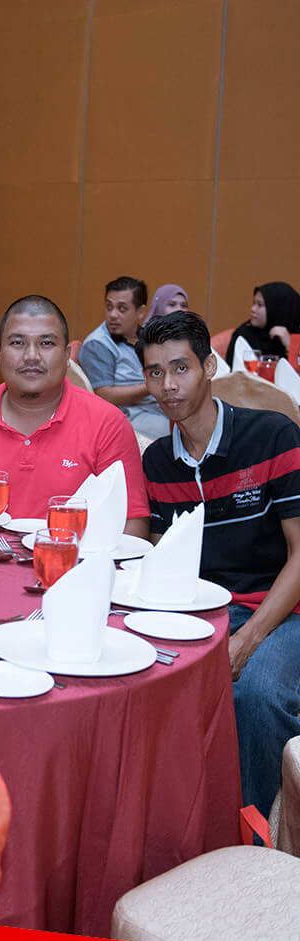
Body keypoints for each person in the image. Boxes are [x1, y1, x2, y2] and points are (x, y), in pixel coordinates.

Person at [138, 310, 300, 818]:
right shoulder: (157, 462)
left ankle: (257, 833)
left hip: (282, 610)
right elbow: (163, 559)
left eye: (181, 368)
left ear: (209, 366)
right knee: (138, 682)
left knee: (256, 693)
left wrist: (248, 640)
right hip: (204, 611)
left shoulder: (272, 436)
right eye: (155, 372)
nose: (168, 385)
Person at [0, 295, 150, 534]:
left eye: (46, 343)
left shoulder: (108, 424)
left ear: (67, 356)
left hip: (72, 557)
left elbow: (132, 524)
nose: (31, 356)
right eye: (17, 343)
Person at [78, 276, 170, 439]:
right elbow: (104, 395)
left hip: (157, 406)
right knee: (170, 431)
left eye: (122, 309)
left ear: (140, 312)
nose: (112, 315)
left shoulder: (148, 337)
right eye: (109, 307)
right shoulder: (97, 344)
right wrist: (151, 385)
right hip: (126, 414)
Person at [224, 282, 300, 366]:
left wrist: (290, 345)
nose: (253, 309)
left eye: (260, 305)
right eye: (254, 303)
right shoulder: (243, 334)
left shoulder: (296, 334)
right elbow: (234, 371)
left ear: (279, 309)